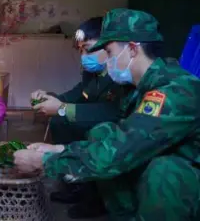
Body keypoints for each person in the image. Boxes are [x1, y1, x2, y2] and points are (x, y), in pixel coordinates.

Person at [14, 8, 200, 220]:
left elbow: (120, 151)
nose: (107, 59)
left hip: (186, 184)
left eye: (110, 52)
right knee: (104, 133)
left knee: (165, 172)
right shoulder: (139, 88)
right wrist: (59, 148)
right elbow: (118, 137)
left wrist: (45, 162)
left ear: (131, 49)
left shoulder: (174, 91)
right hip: (157, 172)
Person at [31, 17, 132, 219]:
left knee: (89, 127)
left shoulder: (121, 74)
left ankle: (95, 197)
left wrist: (62, 108)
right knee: (60, 119)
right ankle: (76, 185)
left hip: (115, 132)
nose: (84, 56)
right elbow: (79, 94)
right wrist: (52, 98)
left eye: (89, 49)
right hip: (99, 125)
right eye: (80, 50)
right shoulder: (92, 73)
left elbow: (114, 112)